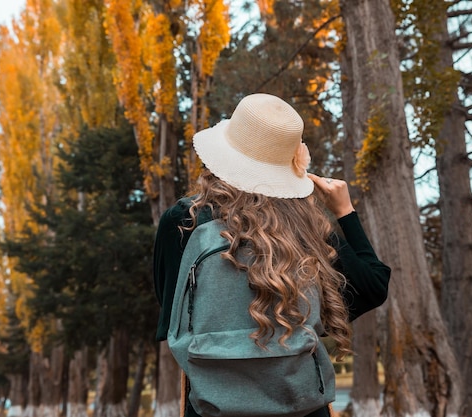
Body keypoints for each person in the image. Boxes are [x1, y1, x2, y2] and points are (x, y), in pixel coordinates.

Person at [153, 93, 391, 417]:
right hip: (302, 405)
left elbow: (173, 311)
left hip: (213, 404)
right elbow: (374, 287)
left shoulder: (184, 221)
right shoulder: (306, 229)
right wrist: (345, 211)